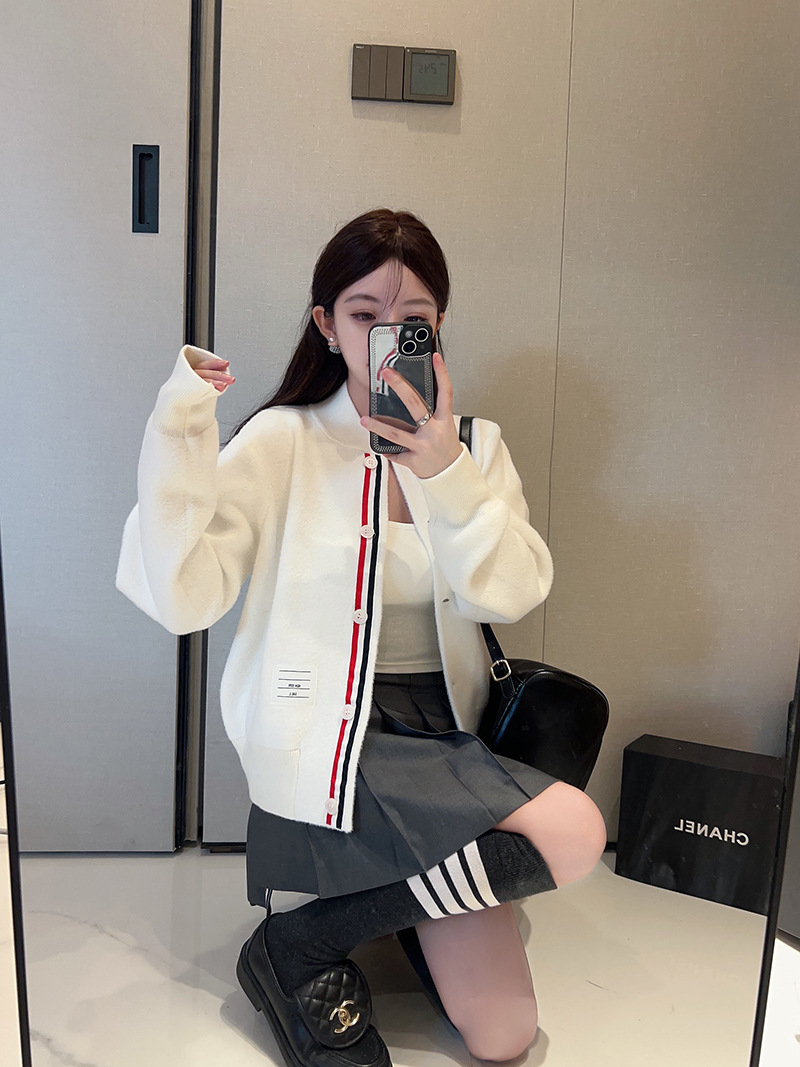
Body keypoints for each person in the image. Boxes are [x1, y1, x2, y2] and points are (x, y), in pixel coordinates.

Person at [117, 208, 606, 1066]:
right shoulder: (284, 442)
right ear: (327, 325)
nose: (389, 334)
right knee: (574, 831)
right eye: (364, 314)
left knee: (504, 1037)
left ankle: (319, 931)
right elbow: (184, 595)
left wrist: (444, 471)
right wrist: (181, 428)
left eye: (413, 319)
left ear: (439, 327)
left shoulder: (476, 449)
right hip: (331, 738)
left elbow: (513, 590)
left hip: (444, 734)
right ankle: (309, 943)